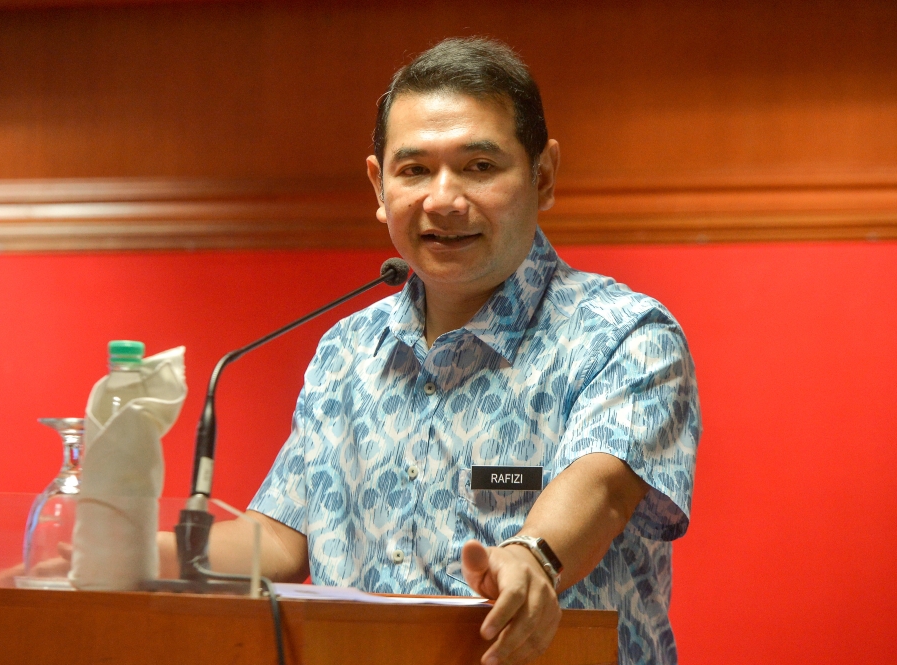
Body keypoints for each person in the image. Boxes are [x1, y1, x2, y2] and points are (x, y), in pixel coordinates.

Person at [164, 37, 700, 665]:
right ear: (379, 184)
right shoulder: (346, 352)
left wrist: (533, 557)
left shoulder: (622, 335)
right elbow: (284, 539)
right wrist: (132, 554)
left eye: (479, 166)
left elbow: (602, 490)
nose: (442, 199)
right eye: (414, 170)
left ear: (543, 176)